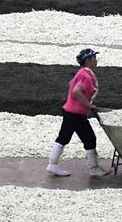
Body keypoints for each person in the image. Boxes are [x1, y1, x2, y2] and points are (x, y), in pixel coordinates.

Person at [46, 48, 111, 177]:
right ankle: (93, 168)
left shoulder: (82, 72)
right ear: (87, 61)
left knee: (64, 137)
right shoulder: (86, 75)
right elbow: (76, 91)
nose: (96, 61)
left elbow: (71, 84)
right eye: (94, 59)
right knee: (89, 138)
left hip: (70, 111)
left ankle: (52, 165)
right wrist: (88, 105)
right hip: (75, 114)